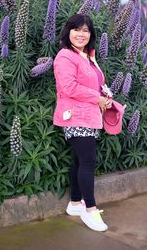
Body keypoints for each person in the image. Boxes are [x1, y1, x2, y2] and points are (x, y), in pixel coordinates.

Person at [53, 14, 112, 232]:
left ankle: (75, 203)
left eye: (86, 30)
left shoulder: (87, 56)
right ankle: (91, 210)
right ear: (68, 32)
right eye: (76, 29)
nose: (81, 34)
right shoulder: (65, 56)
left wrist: (104, 96)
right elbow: (68, 87)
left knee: (79, 161)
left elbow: (95, 84)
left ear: (91, 35)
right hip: (75, 115)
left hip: (89, 115)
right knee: (88, 161)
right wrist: (97, 98)